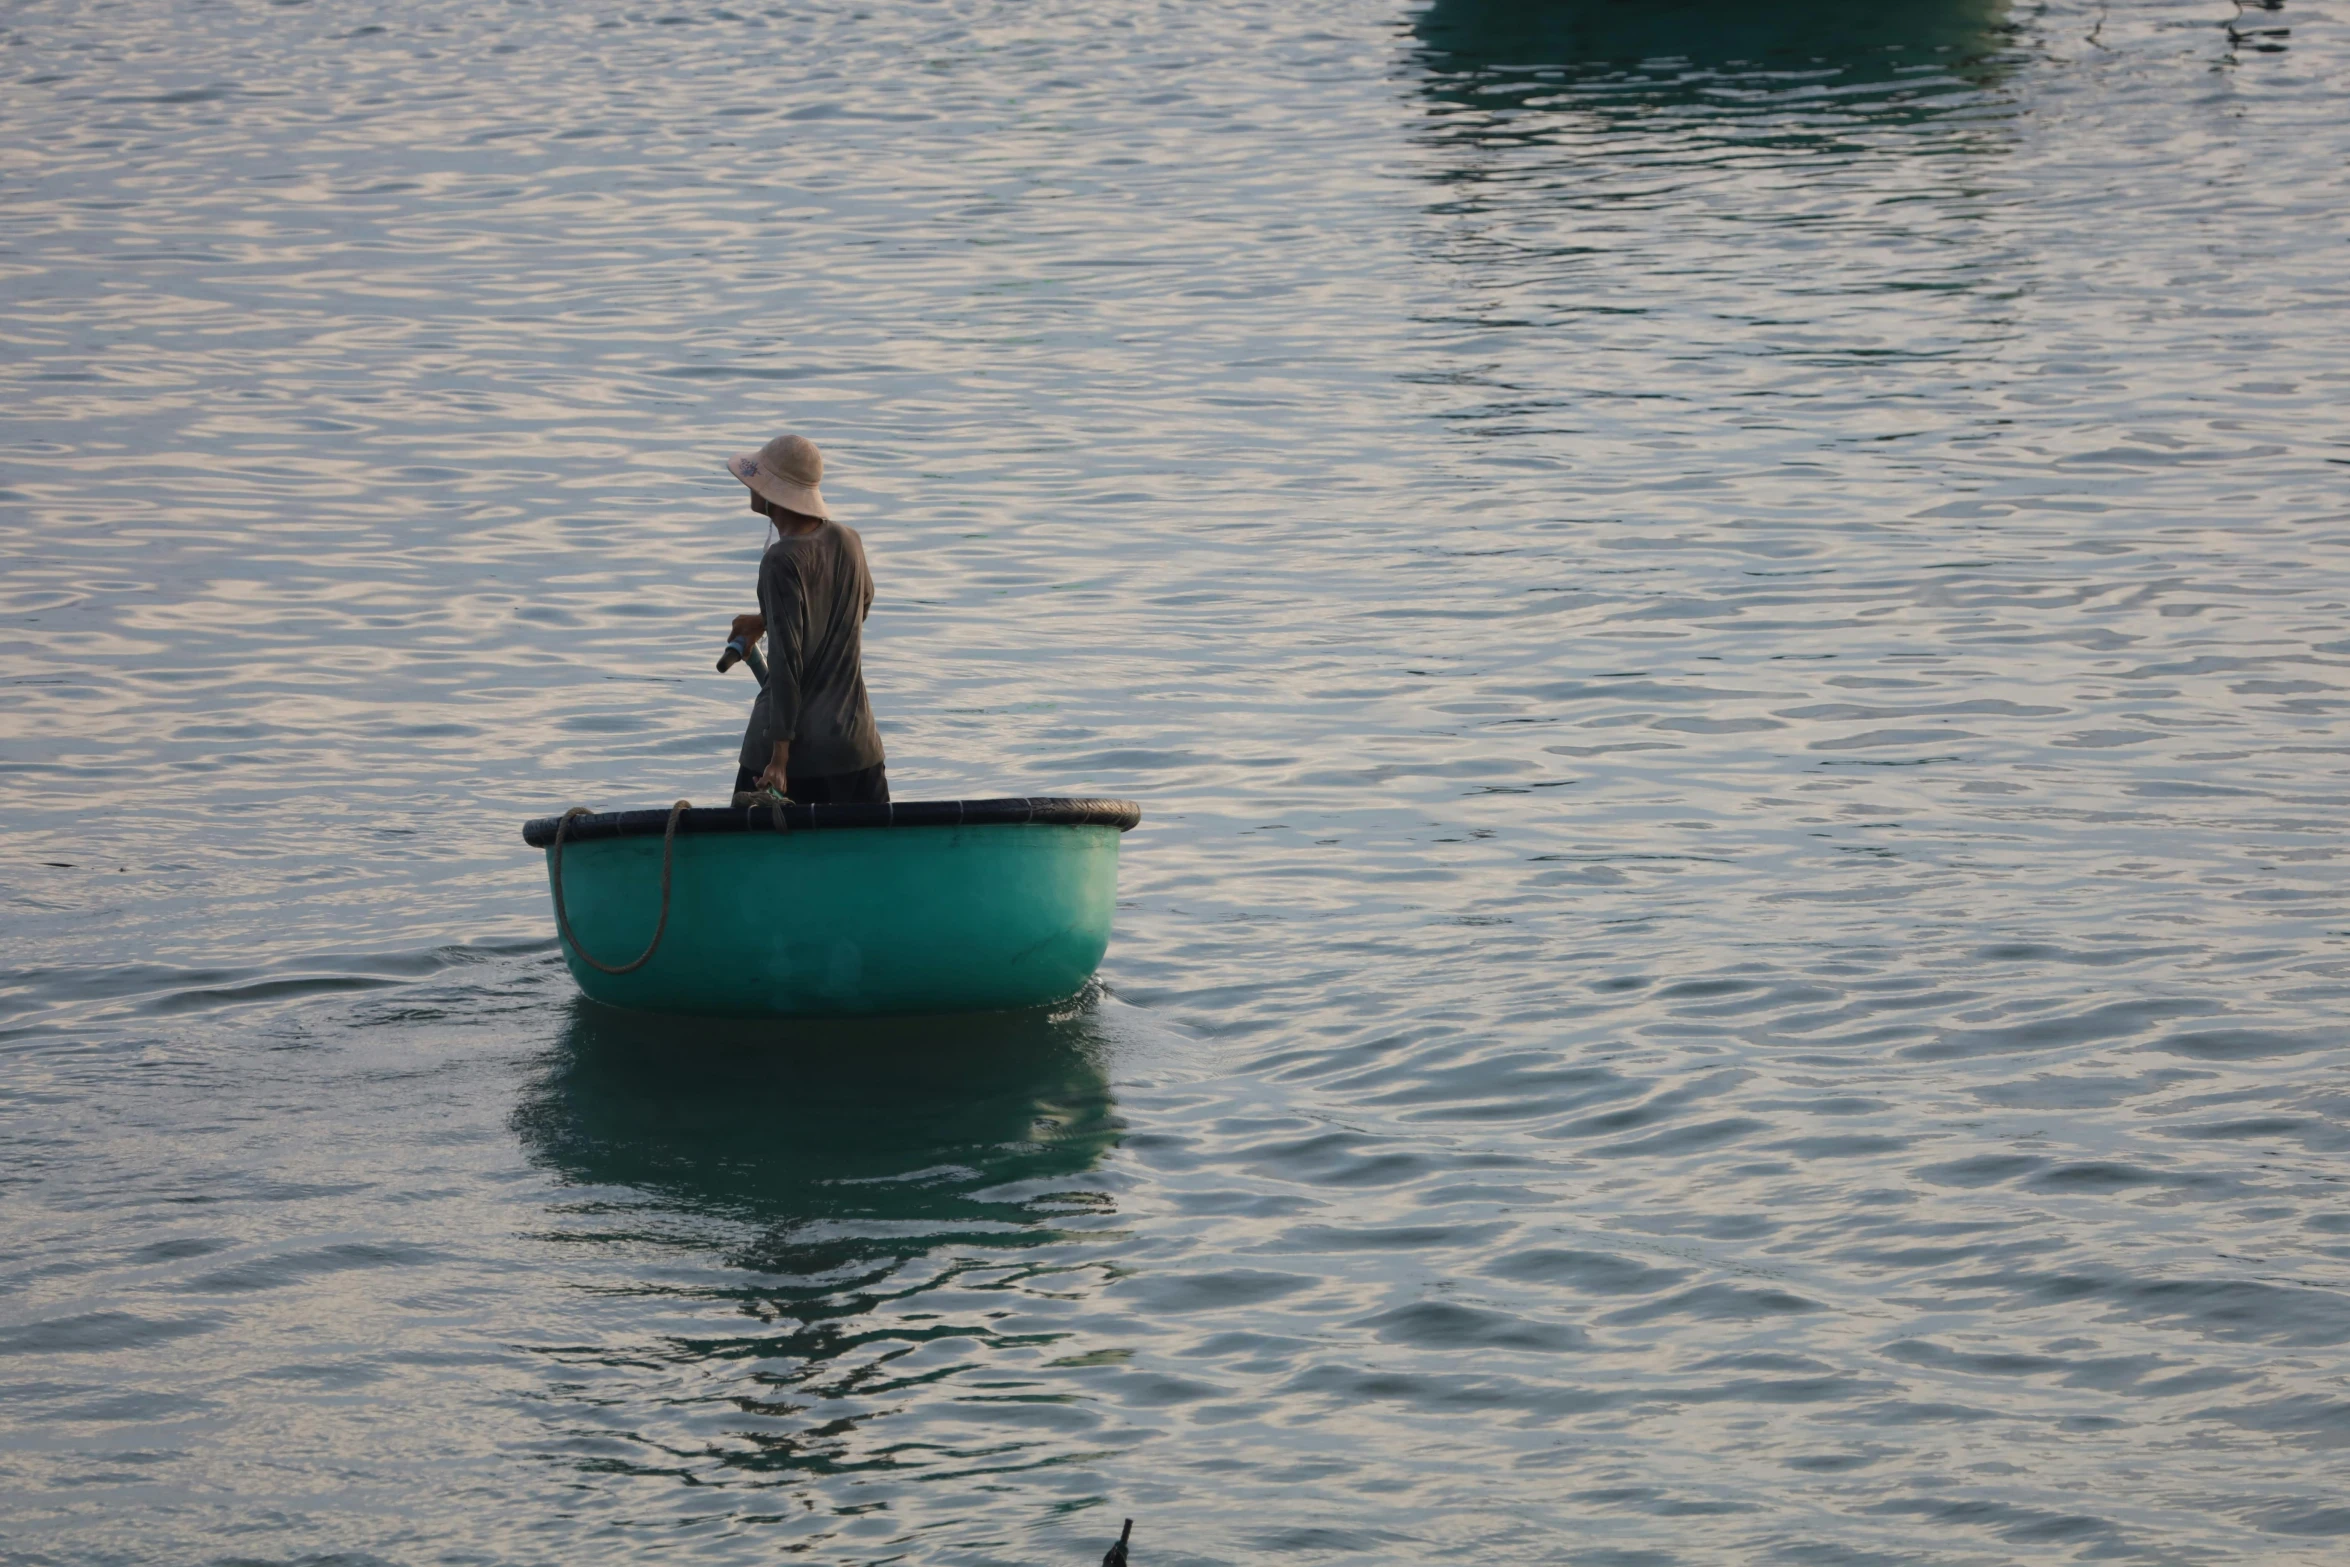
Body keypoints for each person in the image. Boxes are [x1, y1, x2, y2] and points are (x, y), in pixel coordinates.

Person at [724, 433, 888, 804]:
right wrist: (767, 618)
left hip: (800, 758)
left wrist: (779, 757)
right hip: (858, 747)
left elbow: (785, 663)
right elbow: (855, 610)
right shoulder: (849, 540)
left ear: (772, 493)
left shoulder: (780, 561)